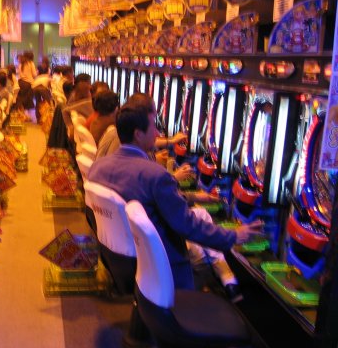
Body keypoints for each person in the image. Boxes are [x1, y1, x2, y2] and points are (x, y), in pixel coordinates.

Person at [87, 92, 263, 290]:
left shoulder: (97, 168)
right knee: (203, 249)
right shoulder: (154, 175)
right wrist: (234, 236)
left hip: (118, 260)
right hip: (161, 267)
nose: (157, 133)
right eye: (153, 127)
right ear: (138, 134)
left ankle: (227, 283)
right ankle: (226, 288)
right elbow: (187, 225)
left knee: (200, 221)